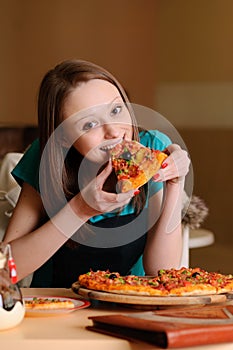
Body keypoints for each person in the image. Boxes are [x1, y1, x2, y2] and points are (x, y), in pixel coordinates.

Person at [3, 59, 190, 287]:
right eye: (89, 124)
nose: (113, 131)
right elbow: (6, 270)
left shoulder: (153, 147)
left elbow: (163, 273)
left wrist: (174, 184)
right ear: (62, 137)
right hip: (57, 305)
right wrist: (80, 209)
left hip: (131, 304)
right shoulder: (46, 157)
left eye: (116, 110)